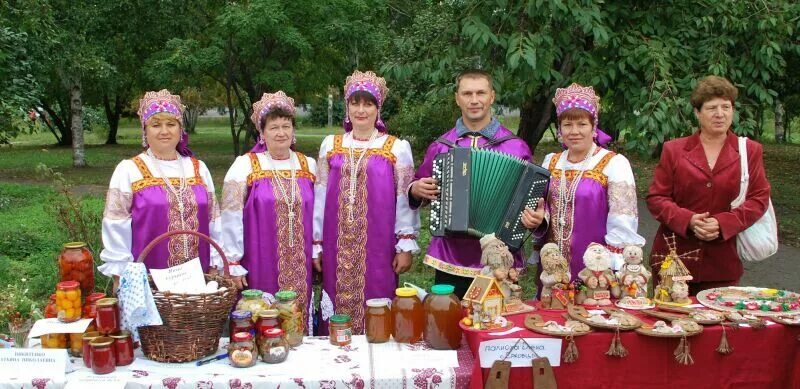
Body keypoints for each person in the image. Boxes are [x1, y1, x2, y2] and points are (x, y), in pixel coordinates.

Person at [409, 69, 532, 298]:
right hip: (450, 254)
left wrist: (534, 216)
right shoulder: (442, 145)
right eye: (467, 93)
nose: (474, 100)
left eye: (480, 93)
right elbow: (419, 185)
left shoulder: (516, 147)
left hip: (500, 257)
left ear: (492, 96)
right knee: (450, 321)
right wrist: (416, 190)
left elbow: (533, 201)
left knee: (498, 324)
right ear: (457, 98)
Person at [314, 70, 420, 334]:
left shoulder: (395, 148)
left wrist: (405, 242)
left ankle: (378, 357)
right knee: (337, 302)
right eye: (355, 103)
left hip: (379, 242)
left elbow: (404, 198)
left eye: (368, 103)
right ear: (347, 106)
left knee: (377, 296)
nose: (361, 110)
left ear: (377, 108)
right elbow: (320, 195)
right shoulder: (331, 145)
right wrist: (316, 242)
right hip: (335, 241)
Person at [647, 75, 770, 295]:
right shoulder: (674, 150)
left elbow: (759, 198)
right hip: (673, 258)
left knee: (719, 325)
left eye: (726, 107)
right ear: (697, 112)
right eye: (712, 108)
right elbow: (657, 198)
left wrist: (723, 224)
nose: (720, 114)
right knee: (670, 323)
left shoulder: (749, 151)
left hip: (722, 262)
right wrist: (688, 220)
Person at [99, 90, 223, 290]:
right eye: (156, 125)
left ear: (180, 130)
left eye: (171, 124)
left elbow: (214, 220)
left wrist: (216, 264)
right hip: (148, 277)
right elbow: (115, 224)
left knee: (198, 321)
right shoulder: (129, 170)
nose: (164, 131)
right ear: (145, 131)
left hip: (200, 273)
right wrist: (119, 274)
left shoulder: (198, 168)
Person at [522, 83, 645, 279]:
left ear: (594, 127)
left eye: (582, 124)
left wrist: (611, 266)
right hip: (552, 266)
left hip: (595, 266)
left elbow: (622, 218)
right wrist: (538, 220)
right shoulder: (551, 162)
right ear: (560, 129)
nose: (574, 131)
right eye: (567, 125)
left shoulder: (613, 163)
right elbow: (543, 206)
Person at [220, 91, 316, 330]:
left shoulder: (308, 165)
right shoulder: (245, 166)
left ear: (294, 130)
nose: (281, 133)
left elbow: (318, 212)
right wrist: (232, 261)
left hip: (301, 257)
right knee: (262, 314)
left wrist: (317, 246)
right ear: (262, 133)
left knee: (297, 315)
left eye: (286, 126)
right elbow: (230, 216)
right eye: (273, 127)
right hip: (260, 254)